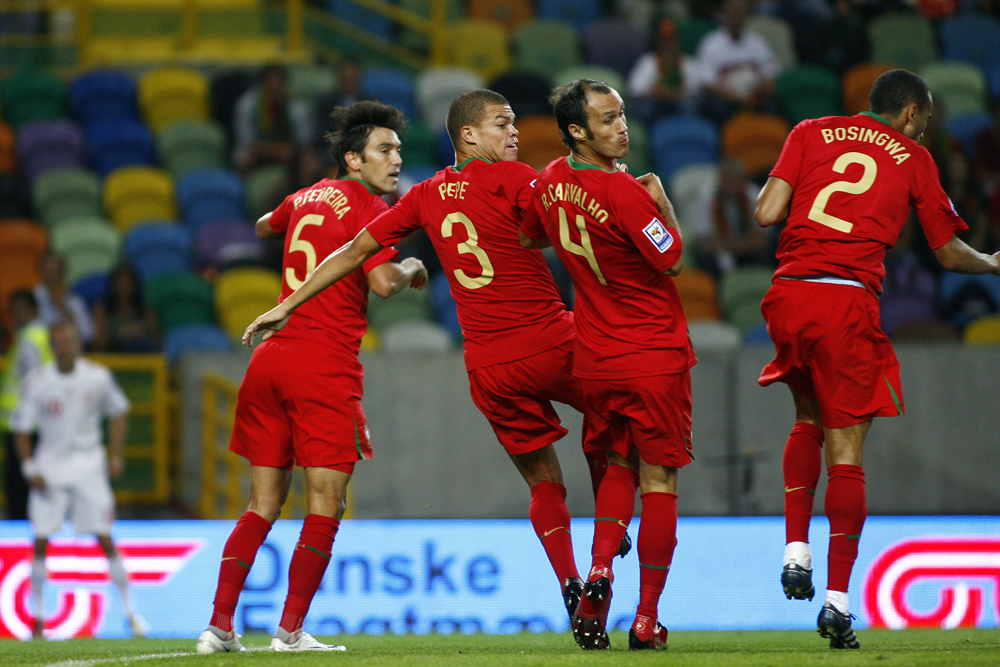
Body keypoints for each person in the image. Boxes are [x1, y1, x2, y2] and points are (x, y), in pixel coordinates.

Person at [242, 89, 630, 630]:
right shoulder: (521, 179)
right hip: (550, 340)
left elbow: (352, 250)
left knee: (544, 481)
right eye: (503, 123)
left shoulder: (424, 195)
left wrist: (285, 304)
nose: (515, 133)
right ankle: (601, 561)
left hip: (489, 367)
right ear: (468, 135)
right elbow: (573, 221)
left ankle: (567, 580)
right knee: (622, 428)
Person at [754, 69, 1000, 649]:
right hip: (846, 300)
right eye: (927, 120)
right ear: (911, 114)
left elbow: (766, 213)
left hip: (788, 294)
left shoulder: (810, 130)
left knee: (807, 420)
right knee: (847, 446)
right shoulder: (913, 157)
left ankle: (795, 552)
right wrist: (992, 262)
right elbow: (946, 252)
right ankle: (837, 603)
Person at [196, 101, 428, 654]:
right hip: (322, 364)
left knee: (261, 504)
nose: (396, 159)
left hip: (270, 361)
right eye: (384, 150)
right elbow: (383, 285)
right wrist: (413, 267)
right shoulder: (371, 208)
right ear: (353, 158)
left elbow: (261, 226)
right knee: (326, 502)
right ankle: (289, 632)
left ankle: (219, 627)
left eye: (397, 150)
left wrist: (299, 220)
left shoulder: (305, 195)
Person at [520, 79, 695, 652]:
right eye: (607, 119)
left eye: (622, 115)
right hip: (651, 355)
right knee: (659, 479)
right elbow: (670, 258)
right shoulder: (625, 192)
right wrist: (661, 202)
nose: (622, 127)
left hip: (595, 355)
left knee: (616, 463)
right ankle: (646, 619)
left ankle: (598, 573)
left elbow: (529, 236)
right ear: (578, 130)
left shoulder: (549, 182)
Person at [11, 321, 143, 639]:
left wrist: (115, 454)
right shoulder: (38, 381)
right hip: (50, 470)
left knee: (105, 538)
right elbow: (21, 427)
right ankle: (39, 619)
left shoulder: (97, 377)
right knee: (40, 542)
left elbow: (119, 410)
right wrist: (30, 468)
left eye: (70, 340)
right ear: (53, 346)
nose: (65, 346)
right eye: (59, 341)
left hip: (88, 469)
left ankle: (131, 614)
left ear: (78, 343)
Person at [2, 290, 53, 520]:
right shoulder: (40, 335)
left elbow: (33, 379)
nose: (15, 314)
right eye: (13, 309)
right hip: (33, 420)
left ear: (33, 310)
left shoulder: (29, 339)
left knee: (20, 482)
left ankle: (22, 523)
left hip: (24, 421)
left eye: (20, 309)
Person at [694, 0, 782, 124]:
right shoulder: (711, 43)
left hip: (754, 96)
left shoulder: (757, 42)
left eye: (740, 13)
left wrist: (757, 92)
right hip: (725, 99)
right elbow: (706, 82)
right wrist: (733, 96)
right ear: (725, 15)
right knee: (716, 107)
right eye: (733, 13)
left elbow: (771, 74)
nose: (736, 17)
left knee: (772, 104)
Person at [627, 17, 697, 122]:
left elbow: (697, 89)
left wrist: (676, 93)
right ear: (658, 40)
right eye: (665, 40)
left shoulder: (687, 62)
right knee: (644, 108)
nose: (668, 44)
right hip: (655, 105)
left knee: (691, 106)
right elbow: (634, 89)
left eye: (671, 39)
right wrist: (656, 92)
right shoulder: (648, 61)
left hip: (680, 103)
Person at [92, 264, 159, 353]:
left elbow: (157, 341)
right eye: (120, 282)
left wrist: (137, 332)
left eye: (127, 283)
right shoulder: (102, 309)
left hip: (143, 357)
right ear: (113, 285)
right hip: (114, 356)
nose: (123, 287)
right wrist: (121, 333)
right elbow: (99, 345)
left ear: (134, 285)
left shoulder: (145, 310)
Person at [33, 254, 95, 347]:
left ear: (63, 274)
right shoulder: (32, 298)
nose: (51, 277)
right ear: (40, 273)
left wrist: (62, 306)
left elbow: (87, 335)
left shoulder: (75, 301)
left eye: (55, 272)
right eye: (48, 272)